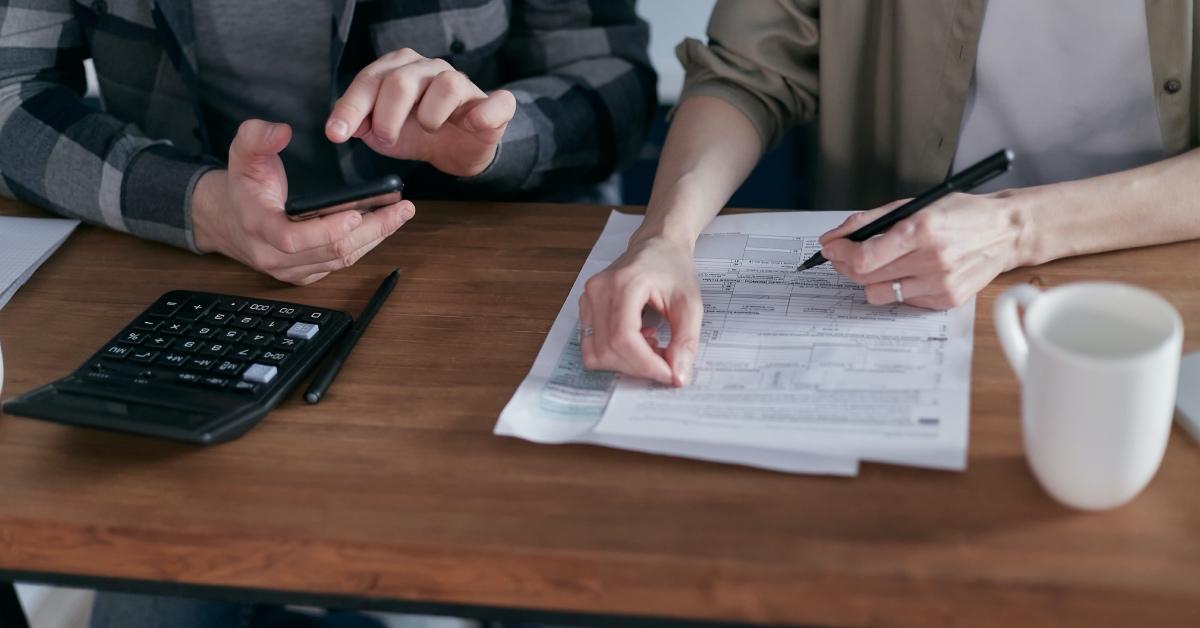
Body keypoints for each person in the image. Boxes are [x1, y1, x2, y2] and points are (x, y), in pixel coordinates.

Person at [580, 0, 1200, 387]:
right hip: (899, 293)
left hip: (1158, 279)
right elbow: (747, 69)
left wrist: (1017, 228)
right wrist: (666, 235)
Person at [0, 0, 655, 285]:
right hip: (191, 269)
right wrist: (200, 206)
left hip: (490, 258)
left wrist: (495, 138)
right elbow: (11, 92)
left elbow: (618, 88)